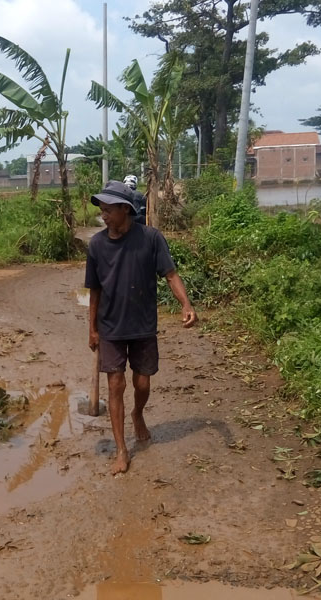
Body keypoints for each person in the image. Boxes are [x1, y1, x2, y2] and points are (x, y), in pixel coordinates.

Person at [85, 180, 197, 475]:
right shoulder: (96, 245)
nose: (104, 215)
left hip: (143, 325)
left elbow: (171, 275)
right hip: (110, 326)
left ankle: (137, 413)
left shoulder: (150, 238)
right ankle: (122, 449)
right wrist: (92, 329)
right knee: (116, 385)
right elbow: (94, 290)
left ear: (126, 209)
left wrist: (186, 305)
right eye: (102, 210)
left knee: (143, 383)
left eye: (109, 210)